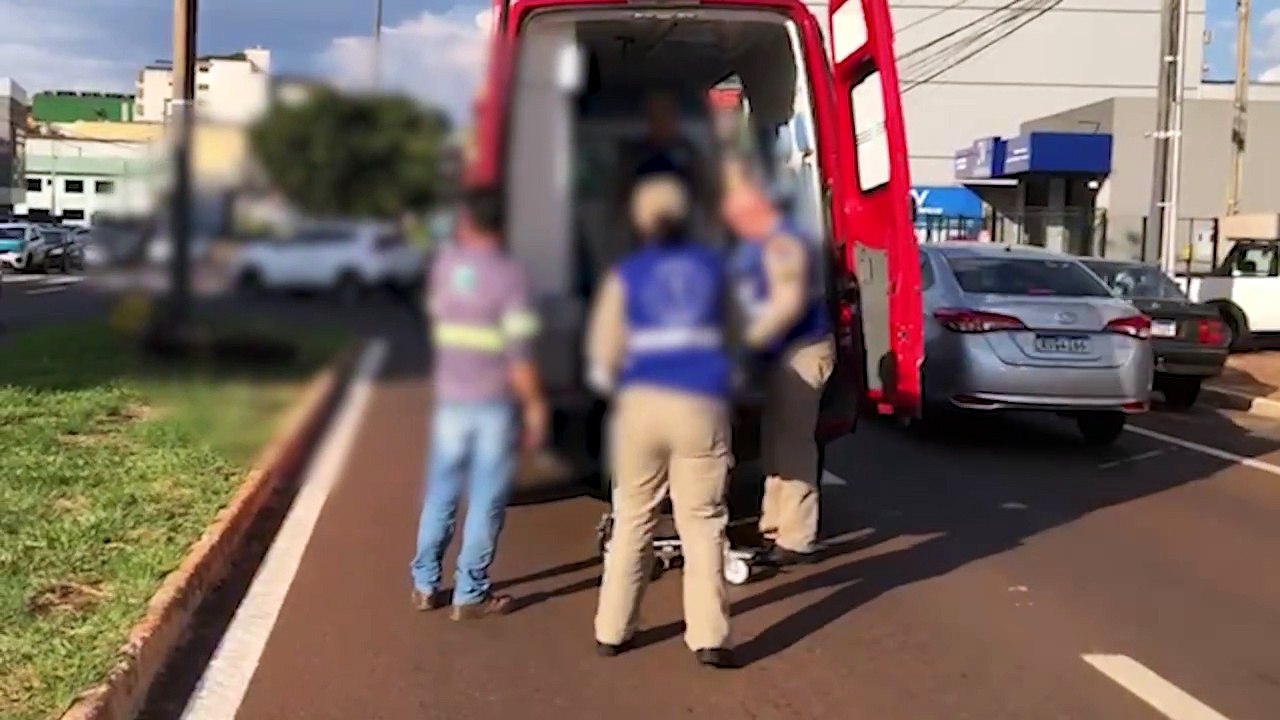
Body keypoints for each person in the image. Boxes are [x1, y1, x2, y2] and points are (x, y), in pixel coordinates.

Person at [586, 173, 737, 669]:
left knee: (632, 518)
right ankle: (709, 637)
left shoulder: (625, 276)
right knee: (702, 524)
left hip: (641, 407)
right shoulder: (714, 273)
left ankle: (613, 629)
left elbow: (604, 356)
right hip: (699, 404)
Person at [410, 185, 548, 620]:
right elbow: (519, 354)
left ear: (467, 221)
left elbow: (437, 315)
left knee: (441, 493)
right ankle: (471, 592)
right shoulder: (511, 277)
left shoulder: (445, 267)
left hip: (452, 400)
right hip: (492, 404)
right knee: (485, 499)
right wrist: (534, 405)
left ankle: (425, 583)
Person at [721, 158, 836, 566]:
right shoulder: (748, 243)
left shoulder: (785, 241)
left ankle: (797, 537)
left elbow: (784, 307)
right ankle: (774, 528)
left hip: (801, 350)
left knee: (792, 444)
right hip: (775, 353)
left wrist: (740, 345)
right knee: (774, 442)